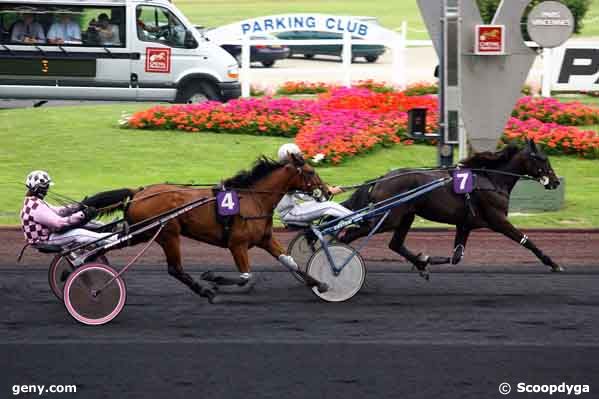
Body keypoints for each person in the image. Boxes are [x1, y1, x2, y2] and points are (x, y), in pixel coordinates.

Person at [20, 170, 115, 249]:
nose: (47, 190)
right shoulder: (35, 206)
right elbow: (59, 223)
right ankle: (114, 239)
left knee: (87, 223)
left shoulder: (33, 202)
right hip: (45, 240)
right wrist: (82, 214)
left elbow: (58, 212)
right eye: (46, 187)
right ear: (38, 188)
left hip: (48, 234)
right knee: (79, 234)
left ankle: (110, 228)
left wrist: (78, 206)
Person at [275, 143, 353, 226]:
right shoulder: (286, 175)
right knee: (329, 206)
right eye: (298, 155)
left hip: (294, 209)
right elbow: (303, 195)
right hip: (290, 213)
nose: (300, 158)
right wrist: (328, 192)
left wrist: (327, 191)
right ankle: (358, 218)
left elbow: (302, 194)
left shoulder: (285, 171)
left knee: (323, 202)